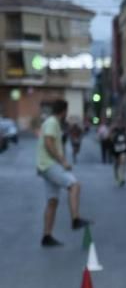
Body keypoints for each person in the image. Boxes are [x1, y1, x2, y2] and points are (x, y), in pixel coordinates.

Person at [36, 99, 90, 246]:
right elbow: (48, 142)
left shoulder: (50, 122)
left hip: (44, 166)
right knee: (74, 185)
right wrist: (63, 161)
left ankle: (46, 236)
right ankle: (75, 219)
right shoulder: (53, 122)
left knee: (52, 201)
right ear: (64, 111)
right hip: (49, 164)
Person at [110, 121, 126, 187]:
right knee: (117, 164)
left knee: (122, 163)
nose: (119, 124)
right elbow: (110, 138)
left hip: (123, 149)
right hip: (116, 149)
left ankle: (122, 178)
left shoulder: (124, 129)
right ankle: (117, 176)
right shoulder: (114, 129)